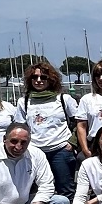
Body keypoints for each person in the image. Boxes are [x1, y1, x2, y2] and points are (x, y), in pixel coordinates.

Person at [14, 64, 79, 196]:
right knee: (39, 192)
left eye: (43, 77)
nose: (38, 80)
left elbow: (80, 123)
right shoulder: (23, 102)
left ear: (51, 79)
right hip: (34, 152)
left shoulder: (63, 99)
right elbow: (19, 127)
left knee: (66, 190)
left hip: (61, 150)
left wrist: (72, 142)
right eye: (34, 77)